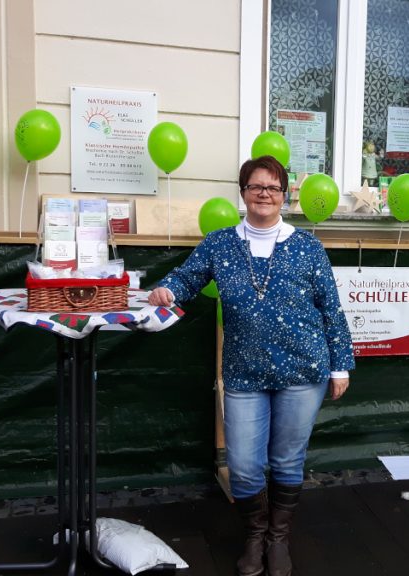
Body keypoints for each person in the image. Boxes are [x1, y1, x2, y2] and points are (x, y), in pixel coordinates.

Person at [148, 155, 354, 576]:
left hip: (302, 372)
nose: (264, 194)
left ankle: (277, 540)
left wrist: (340, 366)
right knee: (242, 464)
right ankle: (254, 535)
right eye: (256, 186)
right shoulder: (220, 243)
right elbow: (187, 278)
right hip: (244, 373)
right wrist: (167, 289)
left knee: (287, 461)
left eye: (273, 187)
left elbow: (331, 311)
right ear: (242, 192)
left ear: (285, 196)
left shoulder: (308, 247)